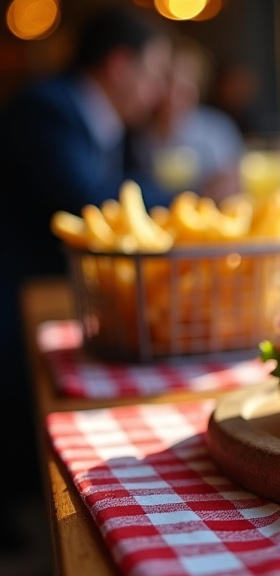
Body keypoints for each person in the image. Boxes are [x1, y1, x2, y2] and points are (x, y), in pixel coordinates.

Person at [0, 4, 171, 550]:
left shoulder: (94, 118)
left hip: (47, 291)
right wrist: (186, 194)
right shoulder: (46, 107)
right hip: (16, 294)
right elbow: (87, 201)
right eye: (154, 72)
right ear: (120, 65)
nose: (158, 89)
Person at [139, 35, 245, 200]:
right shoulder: (135, 132)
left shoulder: (216, 131)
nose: (173, 96)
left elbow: (237, 186)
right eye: (169, 83)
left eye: (185, 87)